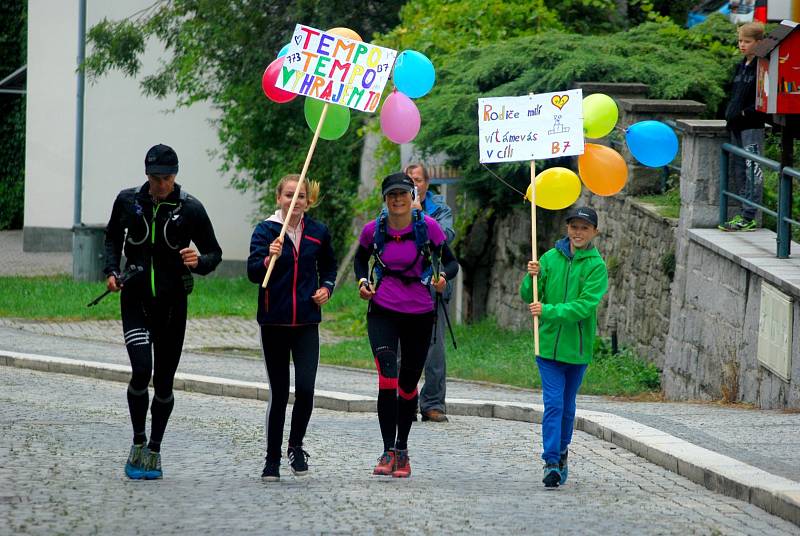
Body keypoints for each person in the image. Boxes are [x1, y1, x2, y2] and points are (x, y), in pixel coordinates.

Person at [104, 143, 222, 480]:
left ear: (175, 176)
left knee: (165, 382)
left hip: (172, 306)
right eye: (156, 179)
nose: (161, 185)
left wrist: (198, 262)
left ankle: (155, 448)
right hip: (136, 301)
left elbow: (214, 253)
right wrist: (112, 272)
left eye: (167, 178)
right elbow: (112, 238)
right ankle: (138, 440)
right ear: (147, 175)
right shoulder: (129, 201)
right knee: (142, 371)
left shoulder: (191, 209)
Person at [354, 172, 458, 478]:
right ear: (385, 200)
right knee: (387, 376)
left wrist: (442, 278)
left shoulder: (428, 228)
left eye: (403, 194)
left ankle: (402, 449)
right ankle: (387, 450)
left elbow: (450, 262)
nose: (398, 200)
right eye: (392, 195)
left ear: (413, 196)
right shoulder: (374, 230)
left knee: (408, 384)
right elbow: (361, 261)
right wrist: (363, 280)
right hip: (383, 310)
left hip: (420, 312)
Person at [247, 174, 337, 482]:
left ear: (308, 202)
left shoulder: (318, 232)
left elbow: (329, 267)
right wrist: (267, 257)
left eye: (300, 196)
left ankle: (296, 446)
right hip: (274, 321)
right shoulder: (266, 231)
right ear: (279, 198)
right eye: (289, 195)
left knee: (307, 389)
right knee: (280, 392)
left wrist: (327, 288)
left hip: (307, 323)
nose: (294, 201)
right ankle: (272, 459)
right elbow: (252, 272)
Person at [519, 206, 608, 488]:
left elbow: (584, 307)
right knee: (554, 404)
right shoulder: (549, 258)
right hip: (547, 347)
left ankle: (562, 450)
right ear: (567, 228)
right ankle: (551, 461)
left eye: (584, 227)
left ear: (594, 231)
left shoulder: (597, 266)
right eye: (574, 226)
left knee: (568, 407)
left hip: (577, 350)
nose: (578, 232)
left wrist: (548, 311)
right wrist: (530, 275)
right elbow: (528, 295)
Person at [405, 163, 456, 423]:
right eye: (409, 180)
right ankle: (406, 401)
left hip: (433, 288)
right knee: (405, 350)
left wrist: (419, 215)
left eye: (418, 180)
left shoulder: (440, 209)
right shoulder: (393, 207)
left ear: (426, 183)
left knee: (434, 350)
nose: (413, 184)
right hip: (403, 288)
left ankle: (433, 404)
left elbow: (445, 238)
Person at [720, 22, 766, 232]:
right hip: (736, 126)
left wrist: (745, 113)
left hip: (751, 126)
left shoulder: (761, 66)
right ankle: (742, 212)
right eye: (740, 41)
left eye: (747, 41)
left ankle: (750, 214)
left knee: (752, 169)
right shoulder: (741, 65)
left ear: (758, 43)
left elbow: (761, 99)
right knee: (738, 168)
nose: (742, 45)